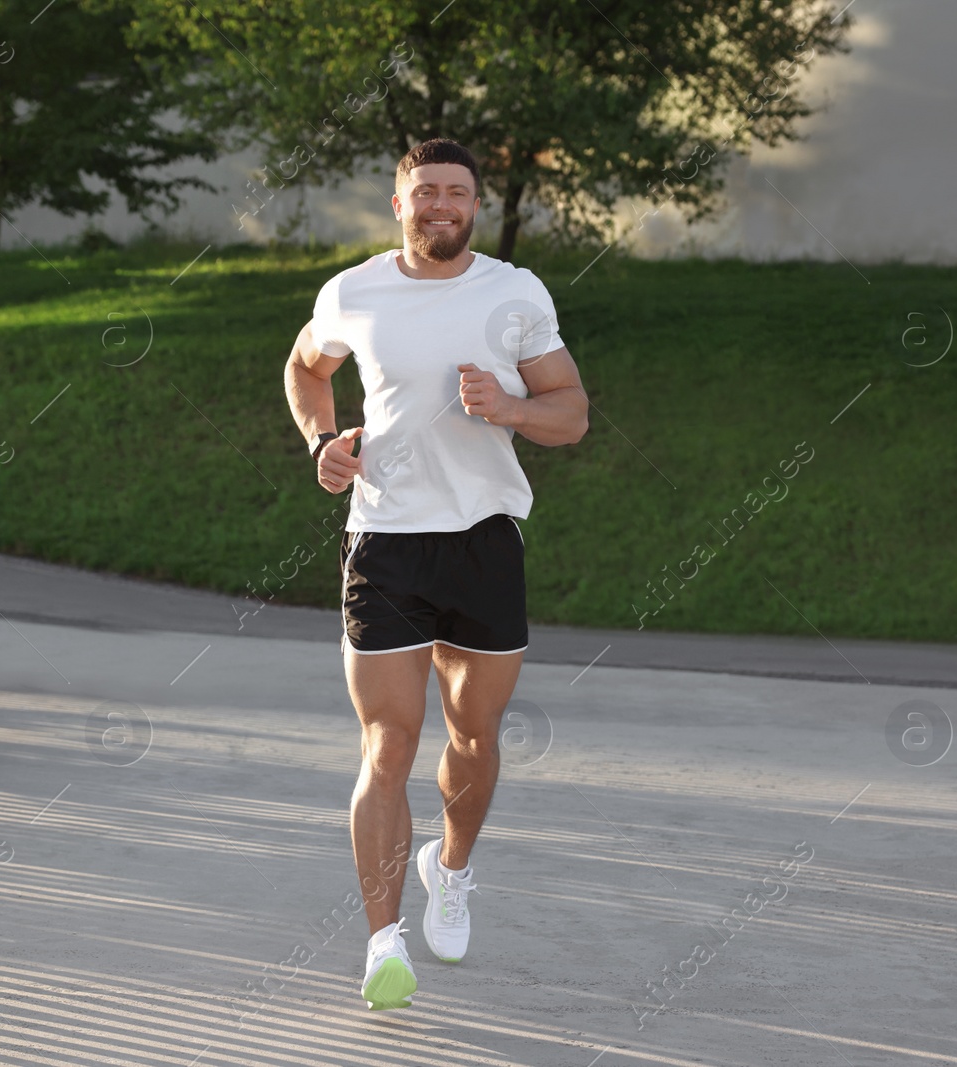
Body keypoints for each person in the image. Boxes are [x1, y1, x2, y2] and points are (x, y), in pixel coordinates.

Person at [282, 137, 591, 1010]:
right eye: (425, 192)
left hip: (483, 540)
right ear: (399, 205)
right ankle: (384, 941)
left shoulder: (514, 293)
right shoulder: (352, 291)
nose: (440, 205)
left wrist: (513, 407)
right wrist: (322, 443)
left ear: (475, 205)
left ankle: (450, 869)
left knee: (474, 735)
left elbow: (571, 417)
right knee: (388, 743)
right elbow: (307, 365)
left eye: (456, 192)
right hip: (383, 542)